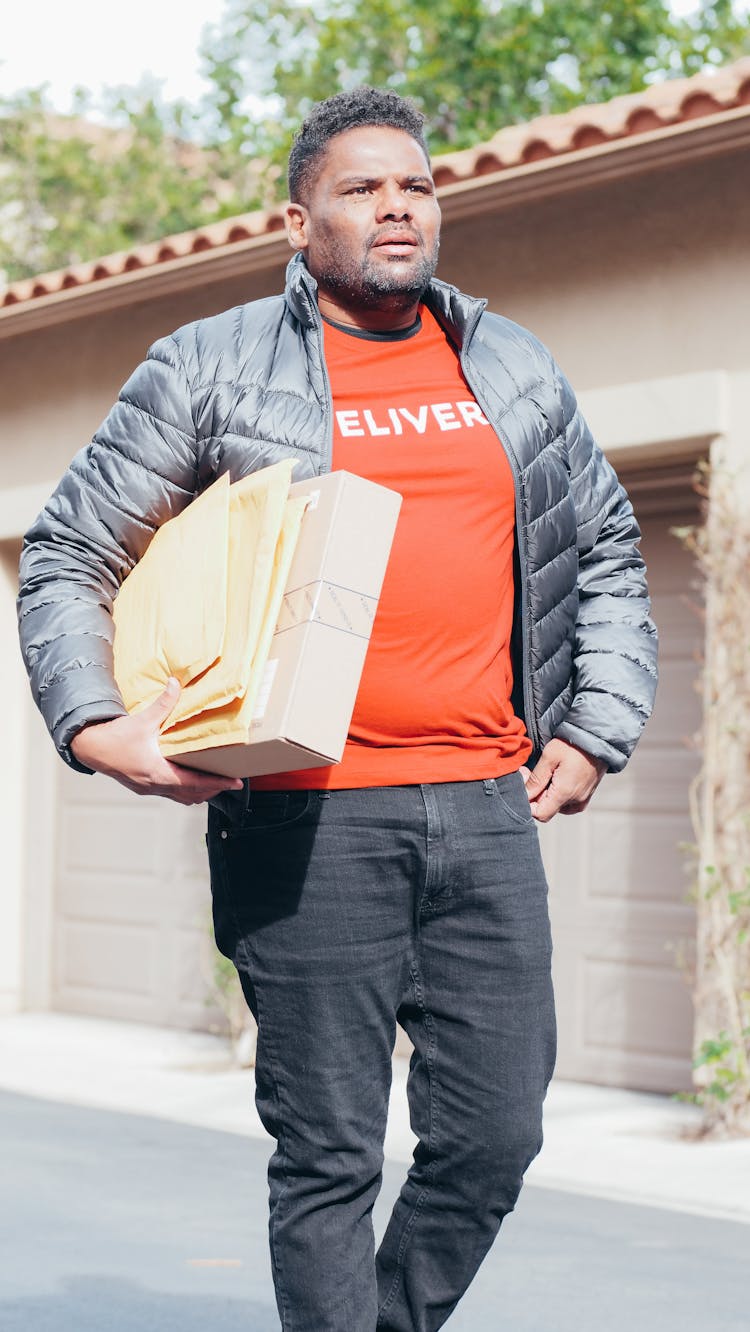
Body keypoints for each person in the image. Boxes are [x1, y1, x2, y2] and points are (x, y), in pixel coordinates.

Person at [17, 87, 657, 1332]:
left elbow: (613, 555)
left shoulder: (514, 365)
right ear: (298, 221)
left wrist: (594, 729)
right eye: (361, 189)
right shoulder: (209, 363)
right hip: (306, 823)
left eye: (414, 184)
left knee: (494, 1135)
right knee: (331, 1158)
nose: (395, 205)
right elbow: (66, 553)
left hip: (483, 812)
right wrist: (98, 728)